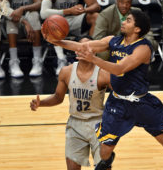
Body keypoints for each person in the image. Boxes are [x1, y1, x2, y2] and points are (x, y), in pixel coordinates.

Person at [44, 9, 163, 170]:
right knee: (104, 152)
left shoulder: (143, 48)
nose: (123, 22)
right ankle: (107, 162)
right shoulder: (113, 41)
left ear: (137, 29)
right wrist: (57, 41)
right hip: (118, 103)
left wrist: (93, 58)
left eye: (128, 20)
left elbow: (119, 69)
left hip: (141, 103)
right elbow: (83, 46)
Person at [30, 36, 110, 170]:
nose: (83, 50)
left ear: (94, 51)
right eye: (80, 47)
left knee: (104, 168)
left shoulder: (103, 74)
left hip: (99, 124)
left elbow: (119, 94)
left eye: (88, 47)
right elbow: (58, 97)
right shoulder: (66, 72)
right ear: (75, 51)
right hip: (75, 124)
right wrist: (41, 103)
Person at [40, 0, 100, 75]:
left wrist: (84, 10)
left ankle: (90, 54)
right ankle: (61, 59)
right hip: (57, 21)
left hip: (75, 20)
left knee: (95, 16)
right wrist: (68, 11)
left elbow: (96, 6)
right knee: (49, 22)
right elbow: (43, 13)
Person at [93, 0, 158, 60]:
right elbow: (98, 38)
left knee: (150, 44)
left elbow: (147, 31)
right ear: (117, 2)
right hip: (113, 45)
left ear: (131, 3)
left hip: (133, 44)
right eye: (121, 2)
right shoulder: (105, 14)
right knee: (103, 52)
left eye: (128, 3)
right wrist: (116, 45)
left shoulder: (137, 12)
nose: (124, 5)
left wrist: (148, 42)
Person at [5, 0, 43, 78]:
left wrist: (22, 8)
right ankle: (14, 61)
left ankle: (37, 60)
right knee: (10, 19)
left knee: (34, 15)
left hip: (31, 24)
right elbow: (4, 9)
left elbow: (39, 4)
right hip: (17, 23)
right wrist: (24, 21)